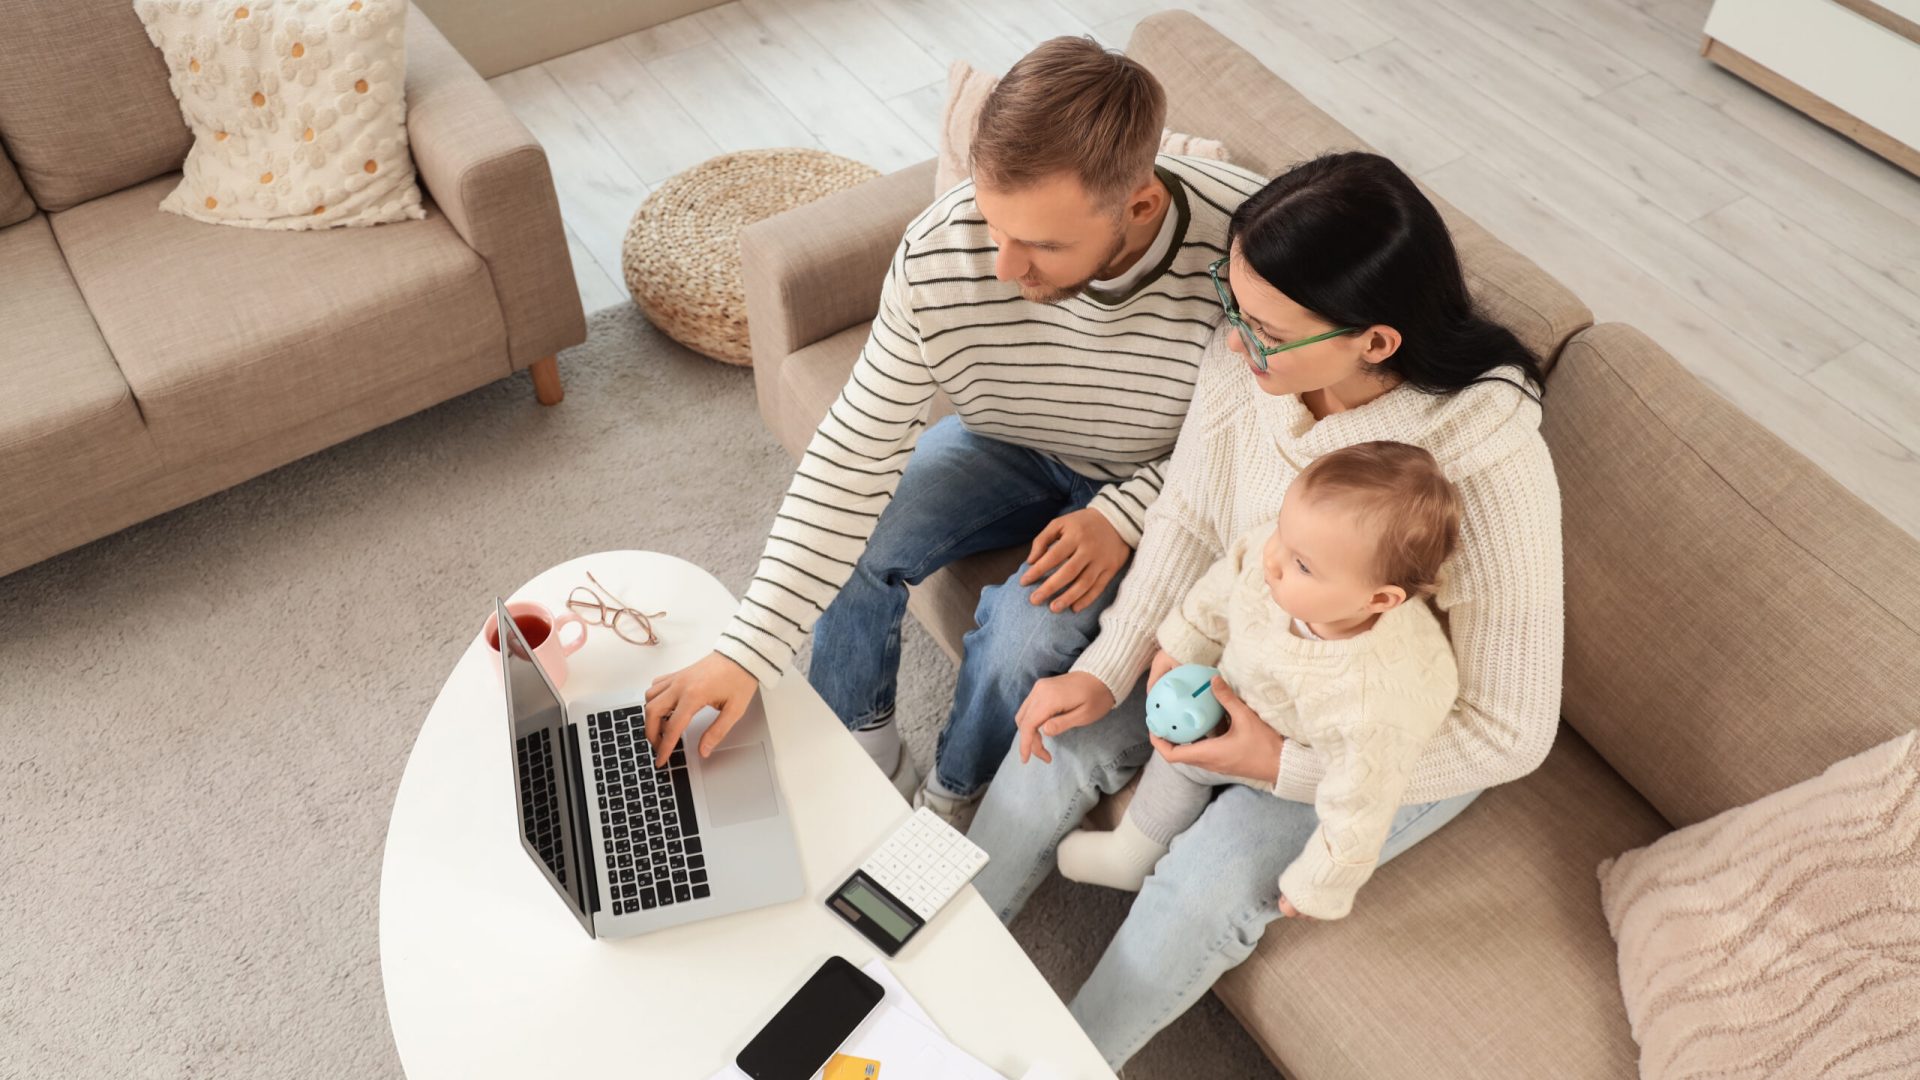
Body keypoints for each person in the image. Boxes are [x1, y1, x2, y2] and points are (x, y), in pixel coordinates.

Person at [965, 151, 1566, 1068]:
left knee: (1207, 883)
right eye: (1233, 302)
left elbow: (1508, 731)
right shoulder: (1248, 360)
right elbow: (1192, 517)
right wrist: (1109, 667)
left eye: (1268, 331)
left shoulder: (1488, 463)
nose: (1236, 343)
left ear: (1376, 341)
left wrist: (1280, 764)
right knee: (1060, 735)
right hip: (1245, 637)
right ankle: (916, 944)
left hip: (1366, 726)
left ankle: (1065, 1063)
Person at [641, 36, 1267, 818]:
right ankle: (858, 745)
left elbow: (1274, 437)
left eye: (1041, 244)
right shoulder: (941, 253)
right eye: (993, 223)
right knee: (863, 537)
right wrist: (745, 651)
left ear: (1139, 207)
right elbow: (850, 456)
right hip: (1008, 442)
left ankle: (953, 795)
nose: (1002, 267)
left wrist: (1127, 514)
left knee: (1022, 639)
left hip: (1167, 479)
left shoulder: (1250, 248)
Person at [1054, 441, 1462, 924]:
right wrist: (1184, 644)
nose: (1273, 558)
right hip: (1241, 692)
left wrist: (1319, 883)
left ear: (1378, 600)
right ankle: (1136, 844)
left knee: (1193, 770)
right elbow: (1226, 582)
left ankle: (1137, 855)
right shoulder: (1278, 555)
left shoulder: (1372, 702)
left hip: (1300, 755)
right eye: (1282, 531)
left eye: (1302, 565)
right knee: (1182, 747)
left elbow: (1361, 803)